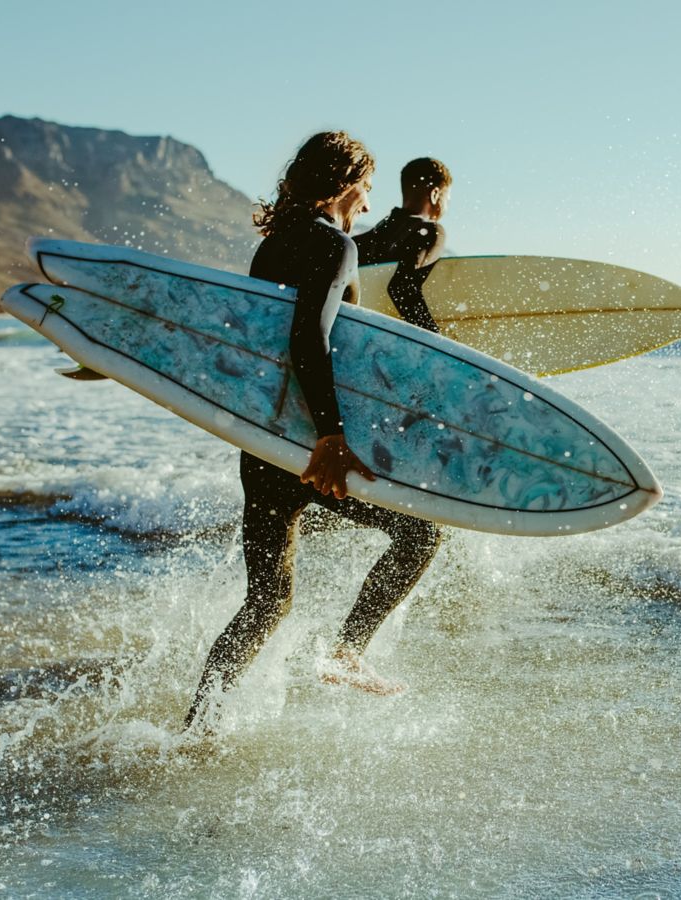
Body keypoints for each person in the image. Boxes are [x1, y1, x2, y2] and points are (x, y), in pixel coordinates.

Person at [184, 132, 442, 729]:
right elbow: (310, 337)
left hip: (266, 440)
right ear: (347, 183)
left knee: (267, 602)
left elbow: (263, 341)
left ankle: (197, 729)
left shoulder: (275, 245)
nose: (369, 206)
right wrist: (330, 436)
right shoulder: (332, 245)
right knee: (420, 535)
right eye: (367, 190)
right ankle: (349, 652)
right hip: (310, 443)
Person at [351, 157, 452, 333]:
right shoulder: (431, 231)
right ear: (435, 194)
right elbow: (402, 287)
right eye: (447, 199)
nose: (446, 206)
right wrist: (434, 339)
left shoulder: (364, 240)